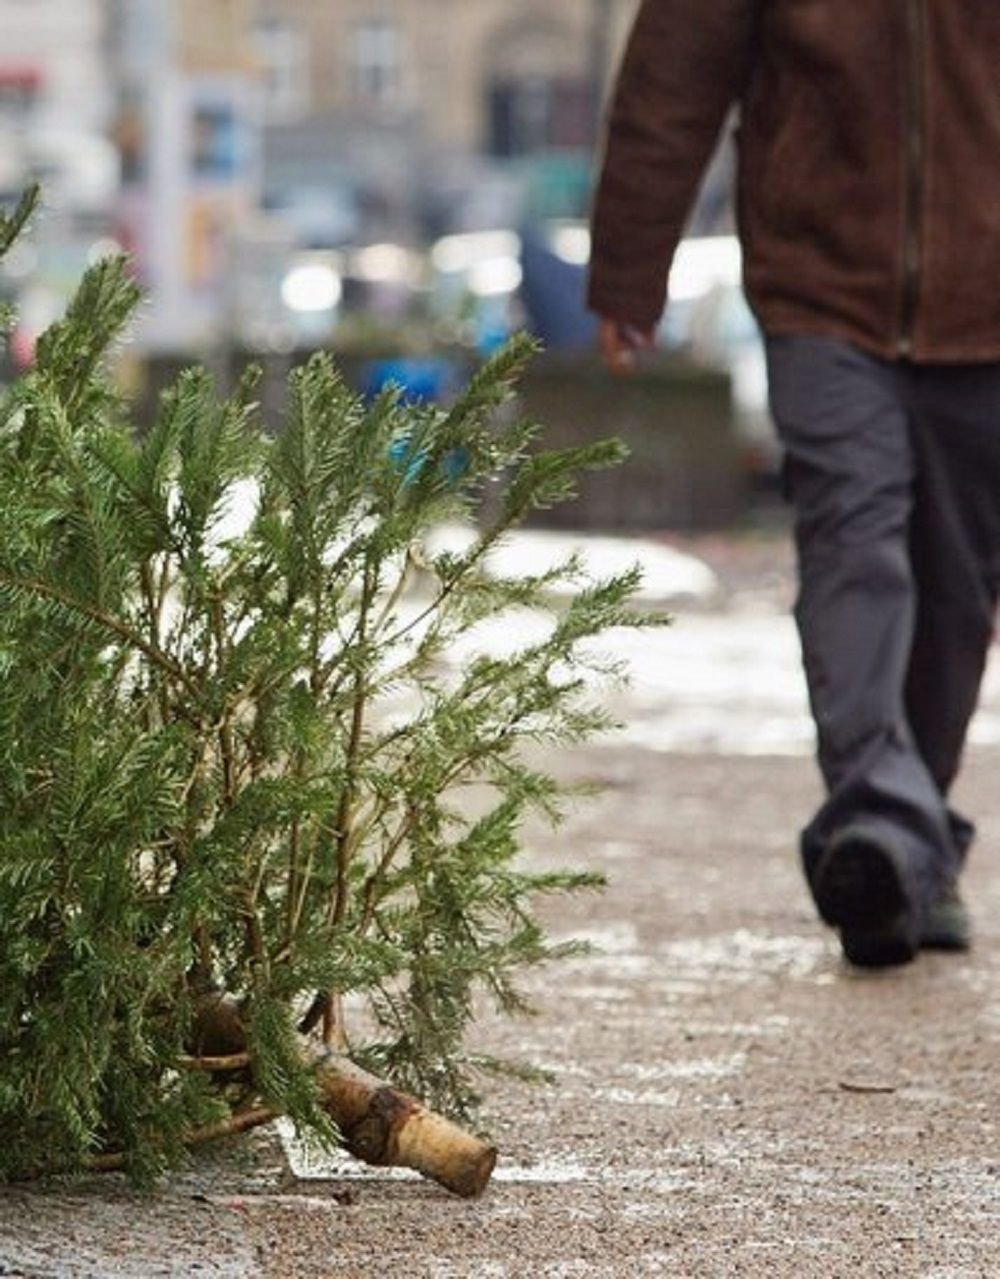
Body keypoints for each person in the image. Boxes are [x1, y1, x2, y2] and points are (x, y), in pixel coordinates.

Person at [587, 1, 1000, 967]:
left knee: (955, 583)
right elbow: (673, 71)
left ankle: (907, 845)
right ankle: (882, 812)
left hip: (989, 302)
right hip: (819, 288)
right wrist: (629, 269)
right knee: (854, 539)